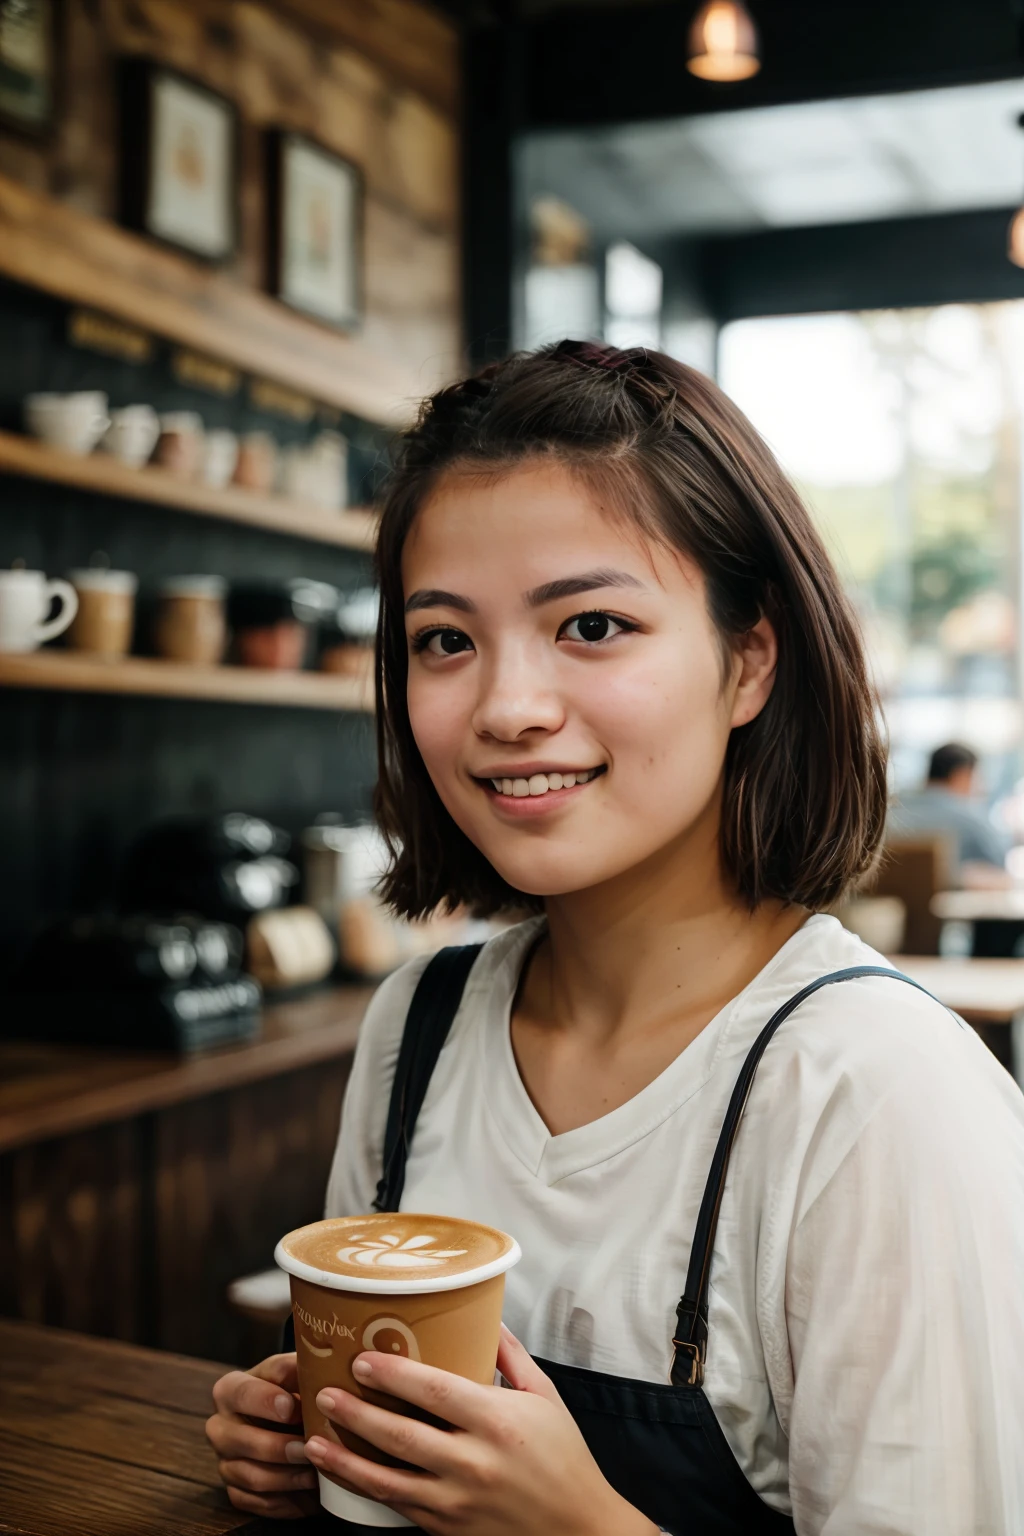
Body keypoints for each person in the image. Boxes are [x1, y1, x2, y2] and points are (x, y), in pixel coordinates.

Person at [206, 342, 1024, 1534]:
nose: (505, 707)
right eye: (445, 639)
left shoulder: (876, 1093)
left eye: (590, 624)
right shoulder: (419, 1024)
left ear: (747, 660)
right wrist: (311, 1447)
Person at [889, 741, 1012, 889]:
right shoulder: (970, 818)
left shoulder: (894, 809)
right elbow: (1000, 865)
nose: (981, 787)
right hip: (949, 904)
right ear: (962, 775)